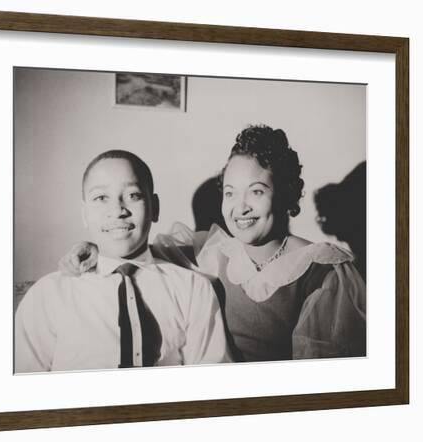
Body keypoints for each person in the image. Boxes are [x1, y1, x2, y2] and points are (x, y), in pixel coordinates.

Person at [60, 126, 367, 362]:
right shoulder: (213, 251)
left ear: (286, 194)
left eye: (256, 191)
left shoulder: (321, 269)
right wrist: (95, 248)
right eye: (230, 193)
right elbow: (135, 251)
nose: (240, 207)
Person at [15, 150, 231, 373]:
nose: (118, 210)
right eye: (101, 198)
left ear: (154, 207)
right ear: (84, 213)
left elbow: (211, 380)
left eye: (133, 195)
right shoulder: (47, 296)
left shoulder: (193, 289)